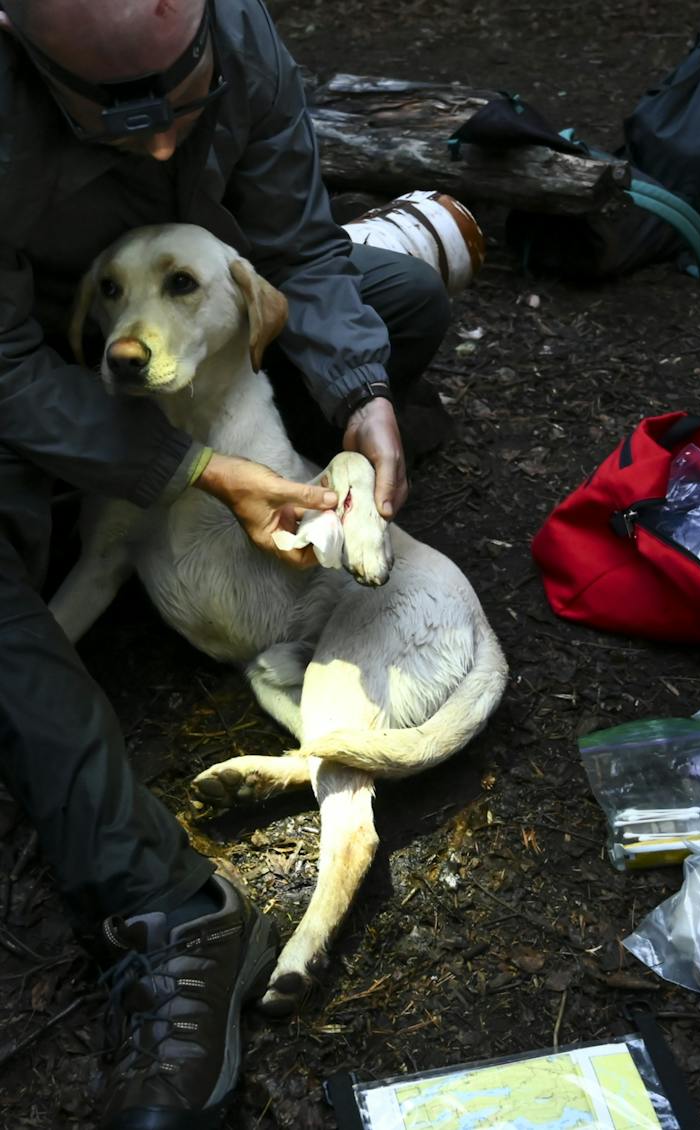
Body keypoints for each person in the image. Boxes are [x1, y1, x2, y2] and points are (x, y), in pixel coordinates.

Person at [0, 0, 451, 1124]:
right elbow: (6, 364)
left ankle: (311, 434)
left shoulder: (243, 40)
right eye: (112, 116)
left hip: (205, 307)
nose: (159, 145)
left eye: (181, 99)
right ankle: (165, 909)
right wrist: (194, 468)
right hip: (66, 343)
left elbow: (295, 240)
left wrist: (362, 393)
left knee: (401, 305)